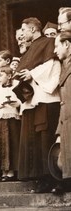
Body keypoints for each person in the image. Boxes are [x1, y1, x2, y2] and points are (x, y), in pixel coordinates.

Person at [14, 17, 61, 193]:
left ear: (33, 29)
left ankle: (55, 178)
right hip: (32, 100)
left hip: (46, 99)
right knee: (35, 142)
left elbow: (52, 65)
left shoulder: (48, 42)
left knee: (46, 140)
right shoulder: (30, 48)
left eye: (24, 30)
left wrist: (31, 74)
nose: (22, 34)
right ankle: (42, 179)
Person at [0, 66, 21, 182]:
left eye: (1, 75)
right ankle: (3, 171)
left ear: (9, 76)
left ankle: (11, 171)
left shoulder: (15, 87)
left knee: (11, 142)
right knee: (0, 144)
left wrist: (16, 103)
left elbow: (20, 101)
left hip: (11, 117)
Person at [52, 31, 71, 194]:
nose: (55, 50)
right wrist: (60, 129)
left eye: (57, 45)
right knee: (63, 160)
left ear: (67, 44)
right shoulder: (65, 66)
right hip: (66, 121)